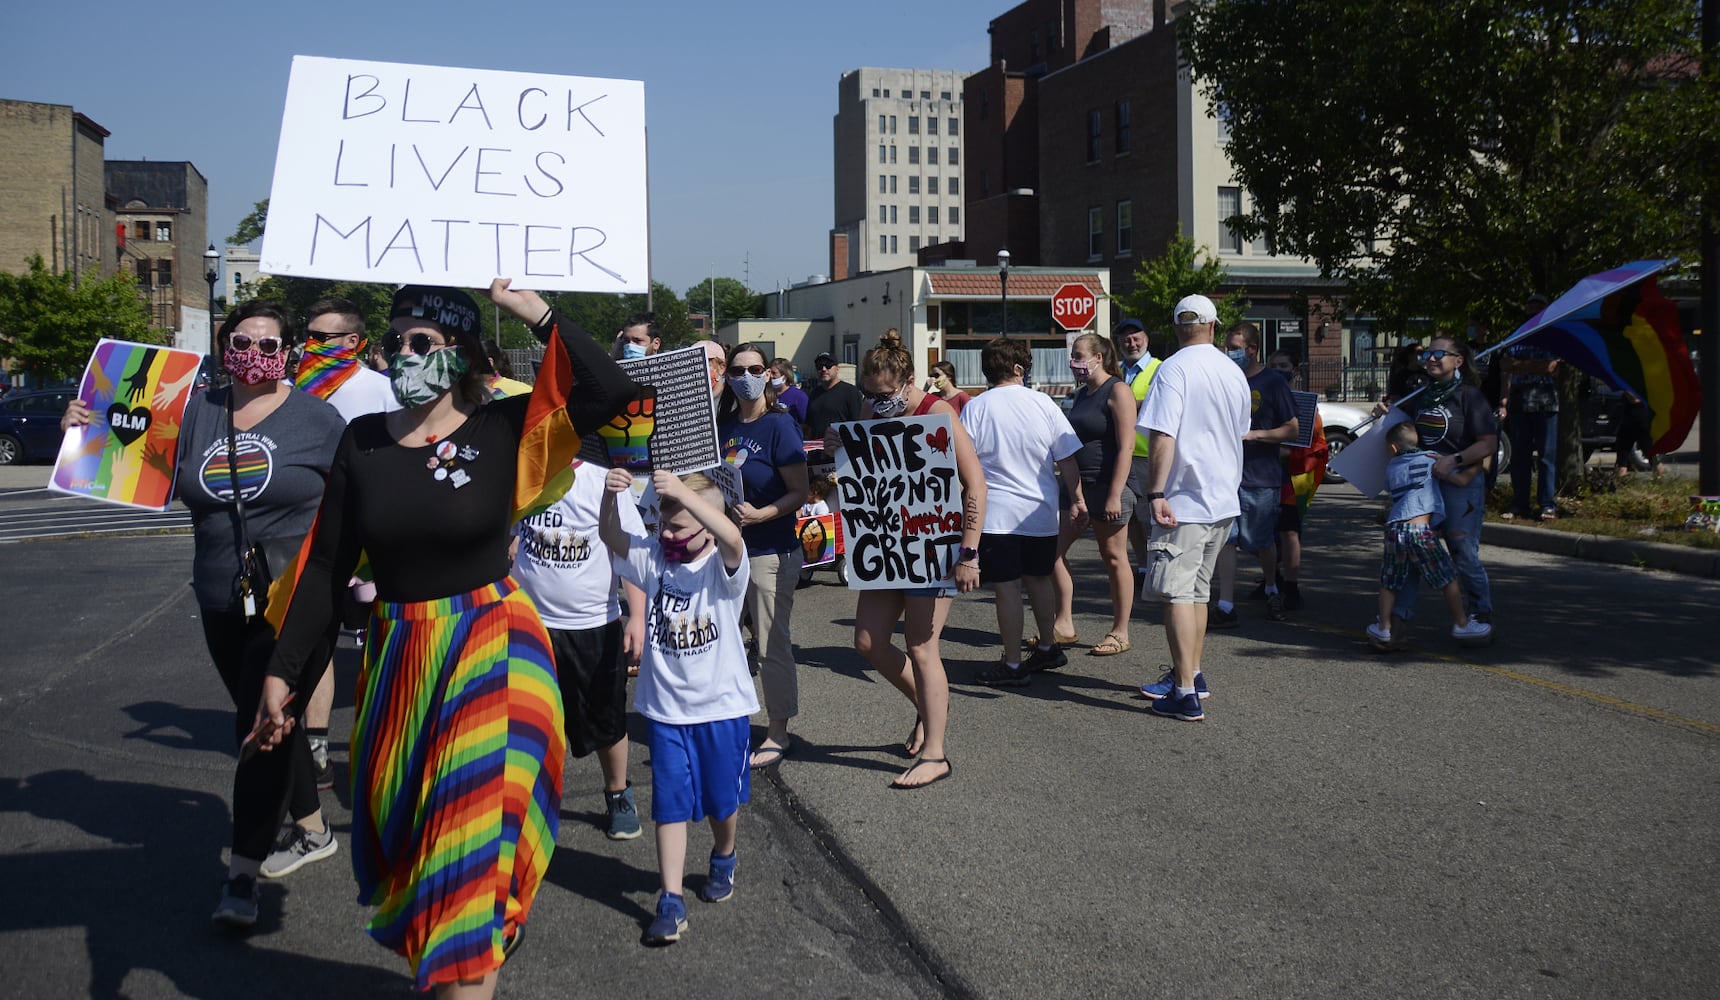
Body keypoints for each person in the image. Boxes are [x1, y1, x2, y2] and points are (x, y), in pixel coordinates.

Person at [253, 281, 638, 997]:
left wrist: (540, 313)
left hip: (496, 647)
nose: (403, 354)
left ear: (458, 352)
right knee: (420, 849)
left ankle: (472, 945)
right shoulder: (362, 442)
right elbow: (329, 568)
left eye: (421, 342)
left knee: (463, 860)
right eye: (394, 341)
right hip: (402, 658)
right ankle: (473, 936)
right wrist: (283, 672)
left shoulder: (505, 428)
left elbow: (613, 389)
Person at [66, 300, 348, 926]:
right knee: (274, 718)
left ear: (289, 353)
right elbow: (133, 471)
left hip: (294, 600)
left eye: (269, 345)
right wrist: (84, 429)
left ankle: (242, 876)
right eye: (242, 341)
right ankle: (314, 830)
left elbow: (357, 495)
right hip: (220, 594)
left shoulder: (319, 420)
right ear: (225, 347)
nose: (256, 353)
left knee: (258, 720)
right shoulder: (194, 411)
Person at [599, 467, 756, 946]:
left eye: (679, 528)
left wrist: (687, 493)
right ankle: (670, 899)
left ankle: (724, 855)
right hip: (666, 711)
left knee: (719, 802)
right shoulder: (654, 559)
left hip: (721, 709)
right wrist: (610, 500)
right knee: (668, 806)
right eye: (663, 525)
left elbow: (732, 536)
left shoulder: (723, 568)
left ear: (705, 526)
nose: (667, 534)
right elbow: (610, 535)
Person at [833, 331, 985, 787]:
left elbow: (974, 484)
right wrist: (840, 445)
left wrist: (969, 553)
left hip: (933, 546)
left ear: (909, 382)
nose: (876, 403)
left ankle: (936, 752)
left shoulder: (937, 412)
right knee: (868, 642)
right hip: (885, 546)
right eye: (868, 394)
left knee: (921, 645)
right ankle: (929, 705)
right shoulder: (868, 411)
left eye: (884, 395)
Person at [510, 453, 647, 842]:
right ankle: (526, 802)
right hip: (530, 623)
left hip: (591, 626)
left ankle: (618, 793)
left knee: (606, 720)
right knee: (528, 719)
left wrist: (636, 616)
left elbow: (629, 551)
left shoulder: (605, 479)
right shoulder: (528, 469)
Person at [295, 298, 402, 792]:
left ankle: (379, 740)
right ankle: (316, 749)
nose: (309, 345)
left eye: (322, 337)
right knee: (315, 643)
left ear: (353, 343)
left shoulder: (384, 390)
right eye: (309, 335)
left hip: (376, 541)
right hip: (310, 539)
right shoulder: (294, 391)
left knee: (381, 647)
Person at [1135, 295, 1250, 723]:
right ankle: (1193, 674)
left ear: (1177, 327)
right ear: (1214, 326)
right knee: (1198, 591)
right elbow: (1239, 432)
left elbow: (1163, 434)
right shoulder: (1232, 371)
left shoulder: (1174, 368)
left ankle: (1185, 692)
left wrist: (1156, 492)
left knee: (1178, 594)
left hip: (1184, 499)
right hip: (1222, 497)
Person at [961, 337, 1085, 687]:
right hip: (1041, 512)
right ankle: (1047, 646)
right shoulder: (1044, 403)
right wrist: (1078, 499)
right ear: (1019, 369)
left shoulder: (977, 407)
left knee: (1007, 588)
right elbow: (1067, 458)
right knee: (1039, 579)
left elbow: (964, 463)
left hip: (998, 514)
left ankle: (1013, 663)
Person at [716, 343, 809, 769]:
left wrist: (761, 513)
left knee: (771, 643)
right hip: (725, 552)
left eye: (756, 368)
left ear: (768, 374)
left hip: (770, 551)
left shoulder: (779, 426)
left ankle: (777, 732)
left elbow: (799, 492)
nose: (747, 376)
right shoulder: (725, 423)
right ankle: (725, 718)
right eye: (739, 369)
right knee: (723, 640)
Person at [1391, 334, 1499, 634]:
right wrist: (1386, 416)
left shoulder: (1469, 396)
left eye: (1440, 354)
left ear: (1458, 361)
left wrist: (1456, 459)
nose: (1432, 359)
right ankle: (1398, 619)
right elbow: (1404, 431)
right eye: (1428, 354)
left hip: (1459, 485)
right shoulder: (1419, 395)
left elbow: (1488, 443)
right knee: (1413, 549)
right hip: (1424, 486)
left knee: (1462, 550)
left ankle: (1480, 614)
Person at [1367, 422, 1496, 650]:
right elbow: (1461, 480)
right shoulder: (1431, 459)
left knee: (1390, 581)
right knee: (1446, 577)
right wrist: (1479, 466)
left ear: (1394, 449)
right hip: (1420, 530)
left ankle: (1384, 628)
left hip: (1394, 529)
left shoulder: (1391, 467)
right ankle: (1462, 624)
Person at [1050, 333, 1139, 655]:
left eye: (1079, 356)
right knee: (1052, 553)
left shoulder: (1118, 390)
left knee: (1114, 558)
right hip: (1077, 489)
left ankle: (1120, 631)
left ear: (1098, 357)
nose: (1074, 363)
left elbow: (1127, 446)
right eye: (1072, 357)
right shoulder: (1082, 394)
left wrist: (1115, 493)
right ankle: (1063, 623)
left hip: (1107, 487)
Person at [1215, 322, 1299, 623]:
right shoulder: (1225, 380)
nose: (1230, 353)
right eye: (1228, 347)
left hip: (1261, 476)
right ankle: (1226, 604)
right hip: (1228, 475)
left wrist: (1256, 435)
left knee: (1261, 540)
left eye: (1236, 348)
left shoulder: (1272, 382)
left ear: (1252, 349)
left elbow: (1292, 428)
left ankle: (1272, 587)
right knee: (1228, 539)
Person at [1265, 350, 1328, 610]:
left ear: (1294, 369)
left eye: (1284, 365)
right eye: (1274, 366)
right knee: (1263, 532)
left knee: (1289, 531)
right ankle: (1271, 578)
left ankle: (1291, 587)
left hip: (1296, 477)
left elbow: (1308, 445)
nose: (1279, 370)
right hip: (1266, 474)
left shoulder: (1305, 405)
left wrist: (1275, 447)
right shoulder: (1264, 399)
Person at [1114, 317, 1163, 590]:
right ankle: (1144, 565)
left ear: (1146, 339)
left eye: (1136, 338)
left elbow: (1160, 404)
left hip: (1148, 454)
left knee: (1150, 516)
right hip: (1123, 453)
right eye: (1126, 339)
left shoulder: (1159, 369)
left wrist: (1125, 404)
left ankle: (1158, 566)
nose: (1131, 343)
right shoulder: (1117, 370)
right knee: (1130, 516)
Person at [1502, 335, 1562, 521]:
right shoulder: (1515, 341)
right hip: (1519, 405)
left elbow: (1552, 368)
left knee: (1546, 457)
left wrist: (1519, 365)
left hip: (1546, 405)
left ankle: (1547, 505)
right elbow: (1505, 367)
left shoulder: (1552, 340)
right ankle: (1520, 505)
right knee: (1520, 457)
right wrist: (1503, 400)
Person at [804, 350, 862, 439]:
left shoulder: (850, 392)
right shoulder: (814, 393)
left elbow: (858, 424)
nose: (824, 369)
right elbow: (810, 427)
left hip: (840, 448)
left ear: (837, 368)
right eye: (819, 366)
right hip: (817, 449)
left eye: (828, 365)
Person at [771, 358, 809, 425]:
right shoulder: (767, 394)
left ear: (785, 375)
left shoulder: (799, 396)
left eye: (774, 373)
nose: (771, 376)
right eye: (769, 372)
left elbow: (806, 423)